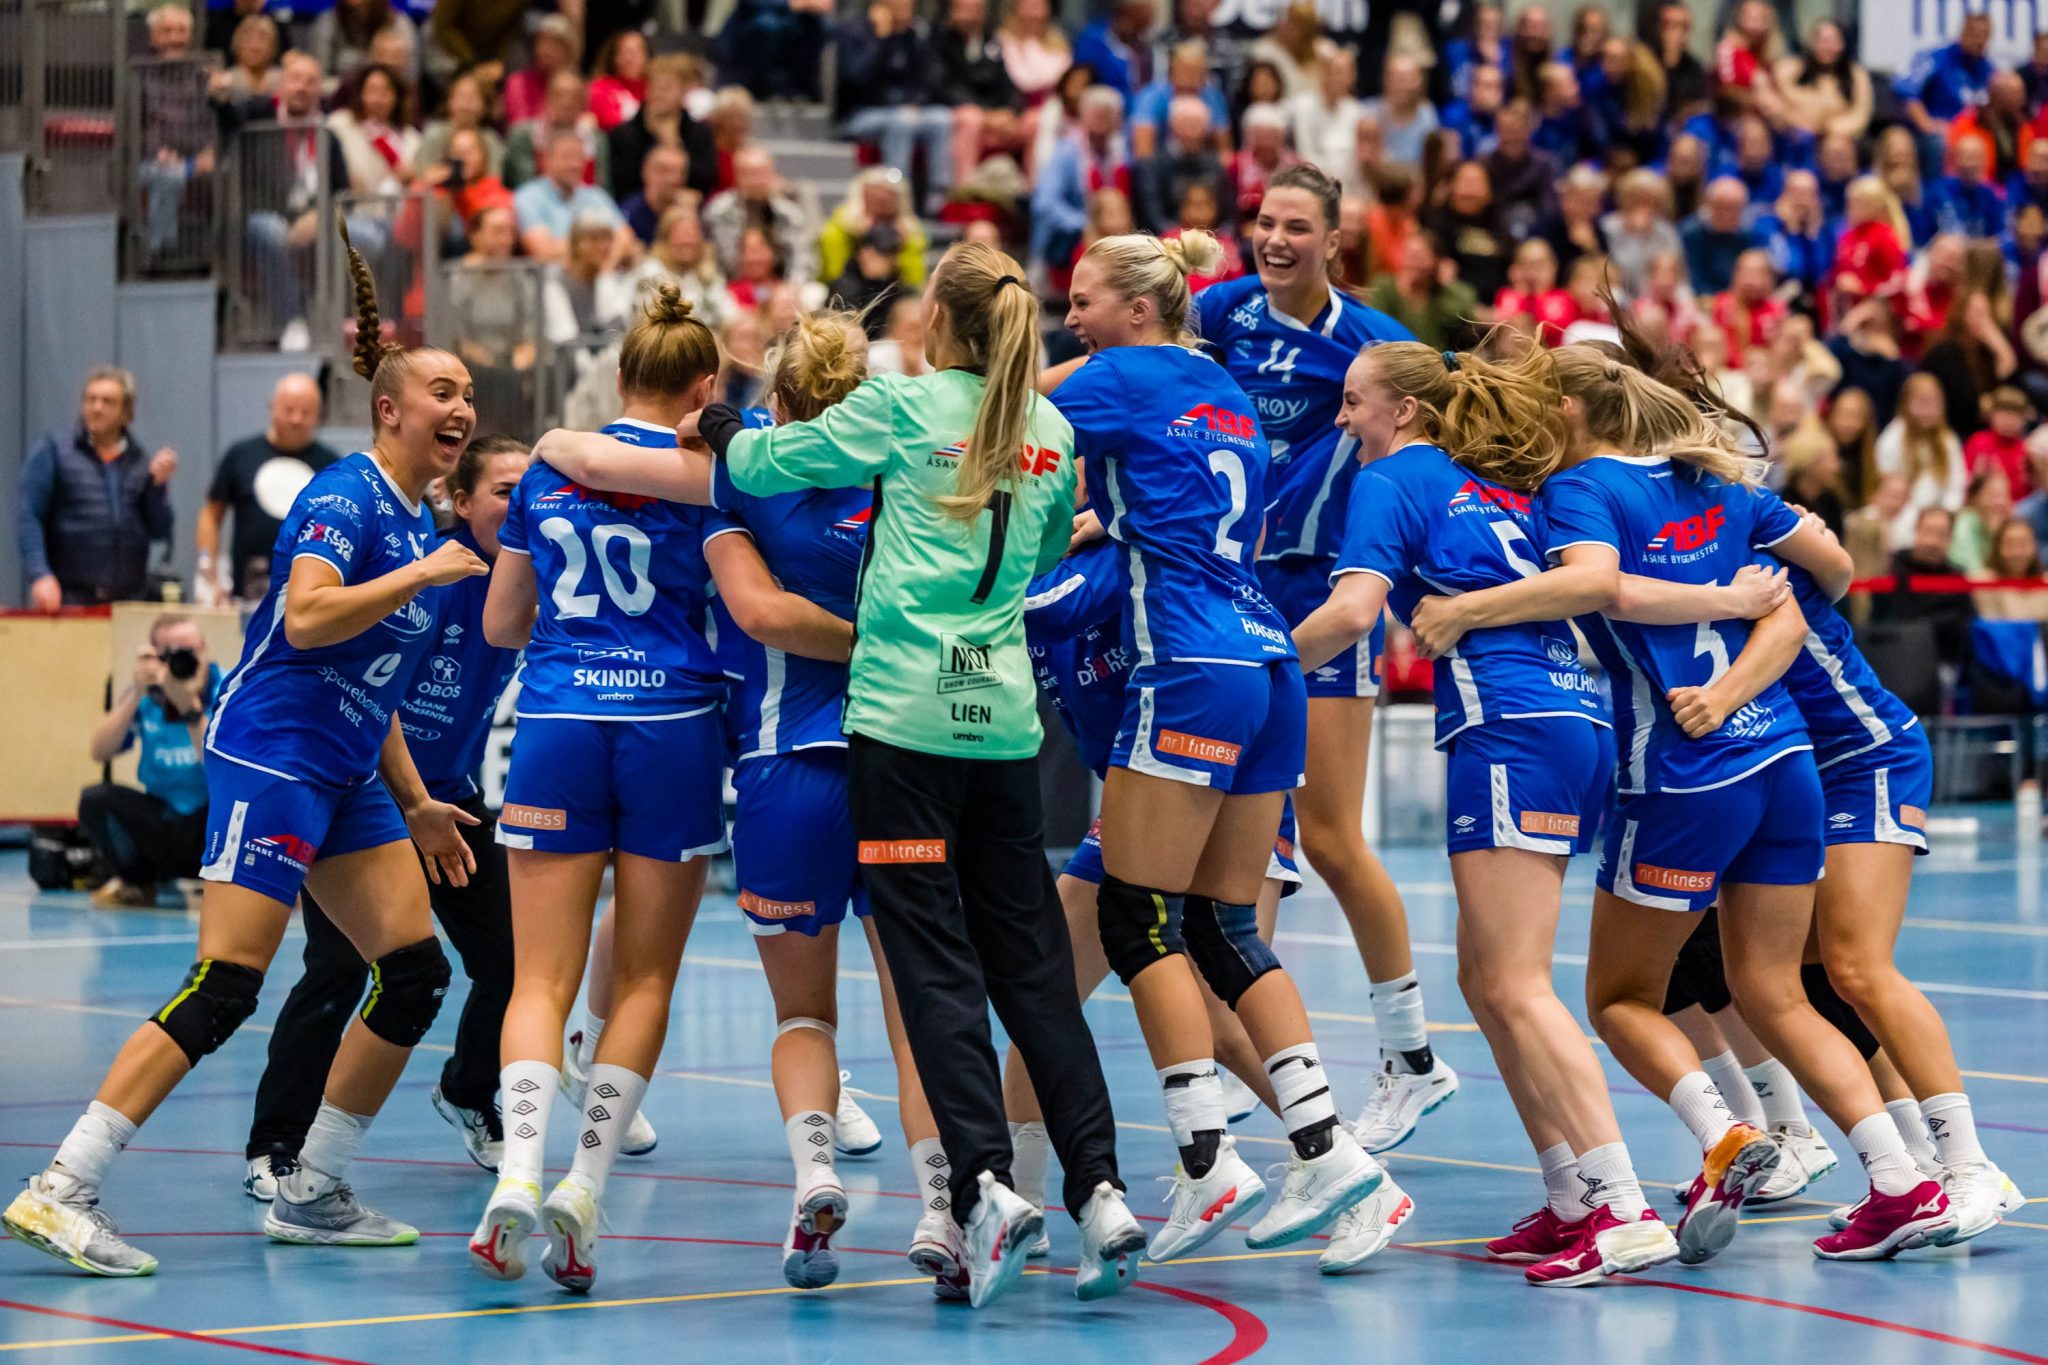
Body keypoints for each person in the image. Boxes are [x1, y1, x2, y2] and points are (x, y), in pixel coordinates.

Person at [3, 219, 487, 1277]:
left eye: (469, 394)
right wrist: (420, 577)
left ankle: (312, 1185)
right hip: (273, 753)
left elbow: (376, 683)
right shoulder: (347, 496)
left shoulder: (418, 520)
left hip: (350, 769)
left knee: (413, 974)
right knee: (229, 981)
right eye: (443, 392)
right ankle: (60, 1187)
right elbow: (307, 619)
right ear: (391, 407)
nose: (463, 408)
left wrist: (414, 800)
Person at [1413, 332, 1961, 1264]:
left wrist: (1464, 608)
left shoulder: (1581, 491)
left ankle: (1725, 1136)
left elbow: (1596, 586)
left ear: (1570, 411)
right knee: (1775, 990)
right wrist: (1737, 616)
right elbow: (1817, 583)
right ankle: (1904, 1180)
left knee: (1621, 996)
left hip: (1682, 766)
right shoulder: (1713, 481)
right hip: (1784, 755)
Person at [680, 242, 1143, 1311]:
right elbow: (1039, 559)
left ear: (942, 321)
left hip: (903, 723)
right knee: (1033, 970)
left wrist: (724, 426)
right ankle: (1101, 1189)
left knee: (933, 968)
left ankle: (983, 1189)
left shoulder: (899, 407)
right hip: (1003, 730)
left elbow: (765, 465)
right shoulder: (1048, 426)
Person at [531, 315, 948, 1295]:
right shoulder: (906, 472)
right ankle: (942, 1203)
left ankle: (812, 1174)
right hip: (905, 758)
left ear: (782, 398)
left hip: (779, 758)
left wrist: (554, 441)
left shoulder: (746, 473)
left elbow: (609, 466)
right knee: (920, 1015)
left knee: (797, 1008)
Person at [1292, 339, 1683, 1286]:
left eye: (1353, 401)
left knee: (1516, 983)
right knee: (1483, 976)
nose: (1341, 418)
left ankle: (1625, 1206)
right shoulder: (1497, 482)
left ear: (1405, 411)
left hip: (1511, 725)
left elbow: (1352, 614)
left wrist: (1257, 676)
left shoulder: (1395, 479)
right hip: (1572, 717)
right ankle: (1572, 1194)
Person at [1053, 227, 1389, 1266]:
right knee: (1221, 926)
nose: (1071, 318)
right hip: (1268, 661)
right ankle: (1326, 1148)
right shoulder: (1226, 388)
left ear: (1138, 309)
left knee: (1134, 914)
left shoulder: (1122, 375)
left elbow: (997, 413)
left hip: (1188, 658)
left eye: (1083, 300)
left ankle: (1207, 1159)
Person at [1193, 166, 1462, 1161]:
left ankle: (1410, 1055)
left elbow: (1448, 416)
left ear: (1334, 242)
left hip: (1323, 593)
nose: (1274, 239)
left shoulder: (1374, 344)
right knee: (1245, 833)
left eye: (1296, 226)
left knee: (1332, 839)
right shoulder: (1221, 312)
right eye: (1264, 222)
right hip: (1229, 586)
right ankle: (1235, 1047)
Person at [467, 288, 732, 1296]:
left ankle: (517, 1174)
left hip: (559, 722)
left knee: (538, 981)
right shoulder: (715, 477)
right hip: (672, 724)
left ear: (618, 377)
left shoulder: (547, 470)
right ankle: (583, 1185)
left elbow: (500, 624)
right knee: (644, 980)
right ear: (704, 389)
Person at [241, 435, 529, 1198]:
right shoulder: (427, 576)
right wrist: (407, 799)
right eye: (503, 490)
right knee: (337, 970)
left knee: (510, 958)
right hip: (373, 796)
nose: (519, 503)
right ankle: (276, 1143)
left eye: (528, 489)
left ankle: (468, 1090)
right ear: (460, 503)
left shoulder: (525, 578)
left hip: (453, 800)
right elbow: (372, 687)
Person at [78, 614, 221, 909]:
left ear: (204, 649)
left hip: (211, 820)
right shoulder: (146, 697)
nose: (180, 661)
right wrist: (135, 693)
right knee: (95, 799)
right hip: (164, 818)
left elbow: (221, 767)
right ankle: (139, 882)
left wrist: (190, 710)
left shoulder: (226, 688)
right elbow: (99, 751)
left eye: (188, 652)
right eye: (169, 655)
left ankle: (233, 881)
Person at [18, 367, 176, 610]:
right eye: (90, 399)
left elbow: (159, 529)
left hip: (127, 601)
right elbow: (29, 516)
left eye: (107, 401)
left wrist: (157, 486)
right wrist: (40, 574)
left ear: (127, 413)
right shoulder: (53, 452)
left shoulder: (140, 463)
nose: (97, 408)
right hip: (69, 598)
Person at [199, 374, 339, 605]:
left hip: (309, 597)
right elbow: (211, 514)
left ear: (318, 415)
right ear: (272, 406)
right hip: (247, 595)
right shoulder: (242, 455)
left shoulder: (332, 466)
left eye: (306, 412)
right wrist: (207, 569)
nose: (296, 419)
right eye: (289, 410)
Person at [837, 0, 956, 212]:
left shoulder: (914, 36)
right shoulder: (857, 32)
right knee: (902, 122)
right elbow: (858, 79)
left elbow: (927, 79)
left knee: (941, 118)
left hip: (907, 109)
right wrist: (883, 39)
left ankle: (939, 194)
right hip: (862, 113)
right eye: (898, 6)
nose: (904, 11)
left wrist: (915, 103)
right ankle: (901, 195)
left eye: (908, 7)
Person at [1876, 373, 1967, 547]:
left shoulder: (1948, 440)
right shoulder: (1893, 437)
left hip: (1940, 513)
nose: (1928, 409)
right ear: (1907, 403)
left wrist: (1947, 511)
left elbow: (1957, 483)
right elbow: (1887, 483)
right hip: (1901, 511)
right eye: (1922, 402)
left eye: (1933, 402)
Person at [513, 130, 626, 267]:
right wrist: (601, 245)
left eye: (579, 157)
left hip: (604, 274)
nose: (574, 164)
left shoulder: (596, 195)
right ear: (547, 160)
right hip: (551, 277)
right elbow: (543, 251)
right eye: (567, 157)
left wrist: (604, 266)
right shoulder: (528, 197)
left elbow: (625, 240)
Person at [1681, 178, 1756, 297]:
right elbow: (1691, 277)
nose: (1728, 215)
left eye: (1735, 209)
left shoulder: (1746, 235)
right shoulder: (1691, 233)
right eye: (1722, 207)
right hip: (1701, 298)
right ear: (1709, 205)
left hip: (1737, 299)